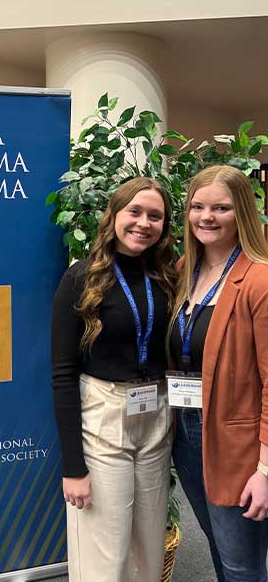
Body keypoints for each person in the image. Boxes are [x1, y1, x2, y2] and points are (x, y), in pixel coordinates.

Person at [51, 177, 176, 582]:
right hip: (103, 417)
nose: (144, 223)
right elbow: (63, 374)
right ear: (114, 216)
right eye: (134, 212)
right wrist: (73, 467)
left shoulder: (167, 277)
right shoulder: (82, 278)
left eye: (155, 216)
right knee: (105, 552)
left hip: (155, 415)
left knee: (148, 545)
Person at [169, 164, 268, 582]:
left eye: (221, 208)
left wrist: (264, 471)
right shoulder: (181, 271)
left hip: (238, 442)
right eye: (197, 206)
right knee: (217, 545)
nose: (206, 217)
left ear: (241, 212)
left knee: (242, 564)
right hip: (186, 432)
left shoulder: (260, 279)